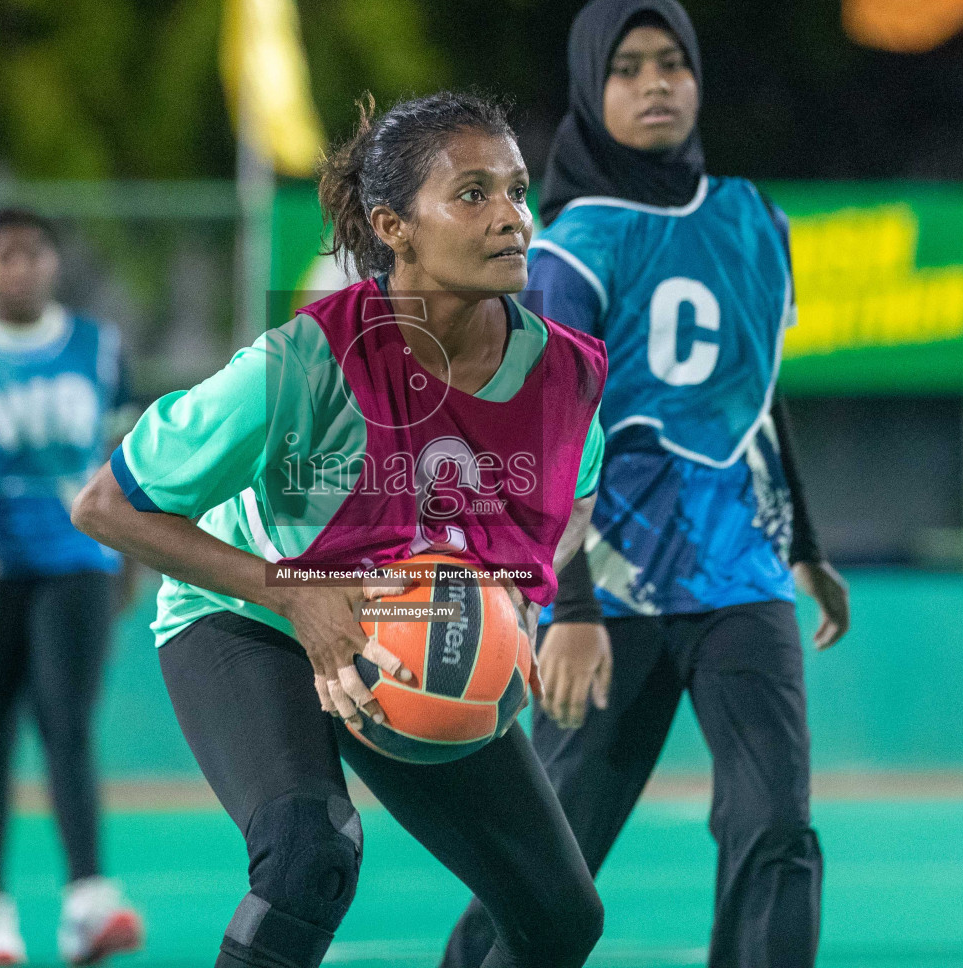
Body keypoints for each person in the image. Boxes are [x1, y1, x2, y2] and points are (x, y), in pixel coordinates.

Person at [70, 92, 609, 968]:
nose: (512, 217)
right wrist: (295, 597)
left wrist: (530, 600)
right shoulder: (304, 364)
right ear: (393, 225)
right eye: (472, 194)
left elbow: (575, 499)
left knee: (560, 917)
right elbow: (104, 504)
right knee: (310, 855)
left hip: (409, 627)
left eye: (517, 191)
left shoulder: (565, 376)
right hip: (246, 612)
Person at [441, 0, 851, 968]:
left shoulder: (758, 220)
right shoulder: (570, 250)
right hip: (609, 590)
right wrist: (569, 607)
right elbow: (531, 436)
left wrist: (804, 544)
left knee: (776, 824)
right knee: (550, 861)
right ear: (592, 88)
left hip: (740, 574)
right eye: (627, 69)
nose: (655, 85)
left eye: (671, 64)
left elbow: (757, 390)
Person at [0, 208, 145, 967]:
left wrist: (128, 559)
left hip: (78, 560)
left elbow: (126, 457)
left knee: (68, 727)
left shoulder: (98, 347)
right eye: (3, 255)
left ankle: (87, 904)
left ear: (53, 264)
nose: (19, 268)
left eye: (34, 253)